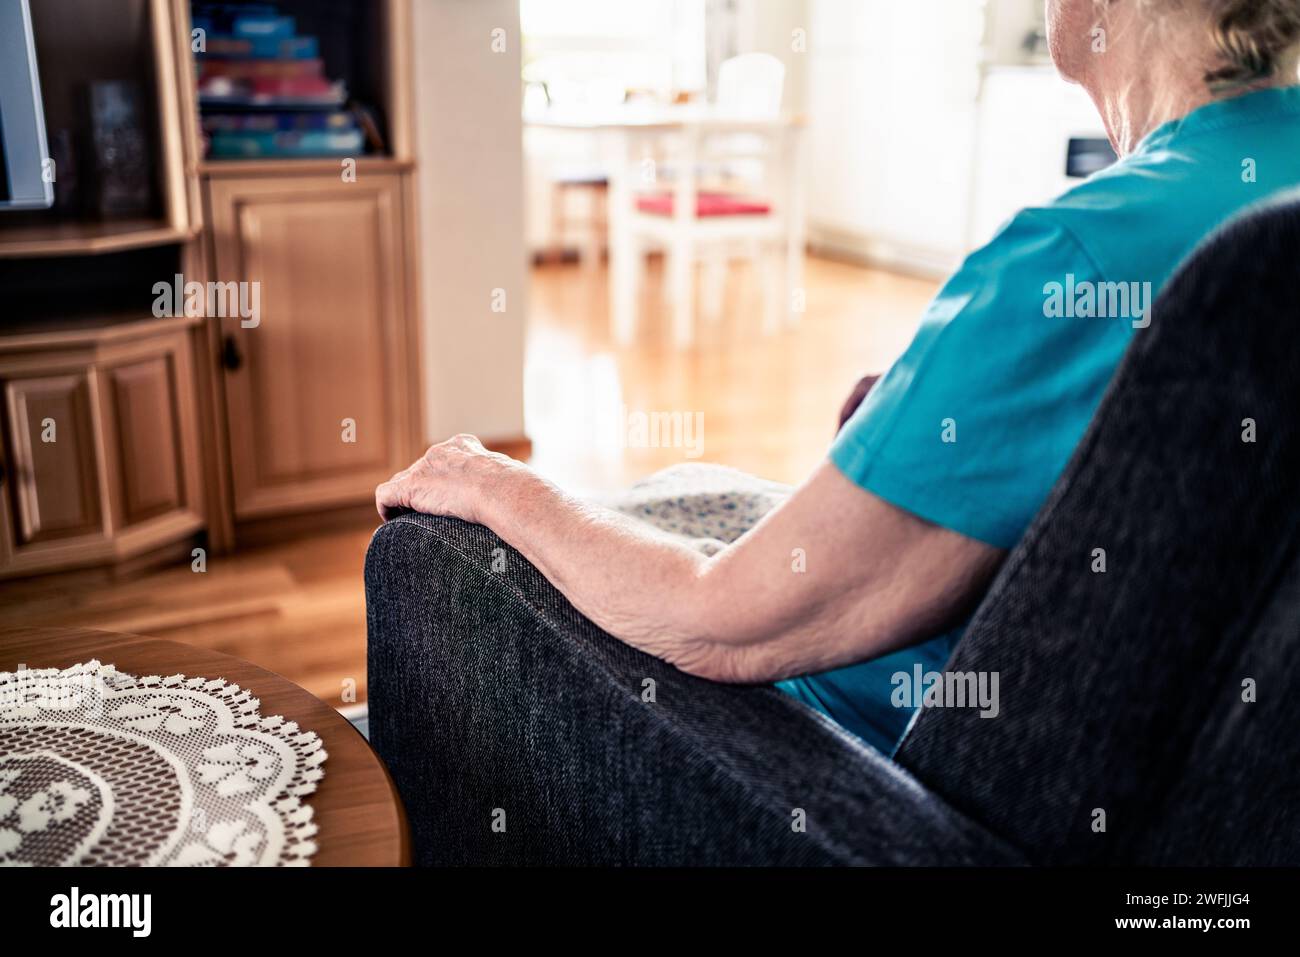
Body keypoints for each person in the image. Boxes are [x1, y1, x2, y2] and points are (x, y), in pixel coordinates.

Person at [377, 0, 1300, 754]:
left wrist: (493, 479)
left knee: (430, 556)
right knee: (681, 489)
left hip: (863, 759)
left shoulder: (1080, 259)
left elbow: (719, 618)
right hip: (1166, 759)